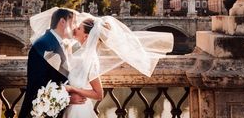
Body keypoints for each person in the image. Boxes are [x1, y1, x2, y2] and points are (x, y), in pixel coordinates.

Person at [26, 10, 174, 118]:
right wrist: (67, 97)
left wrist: (72, 89)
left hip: (80, 110)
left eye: (78, 28)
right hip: (69, 108)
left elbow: (98, 94)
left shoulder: (90, 59)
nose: (74, 29)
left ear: (86, 36)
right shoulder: (72, 51)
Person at [17, 8, 86, 118]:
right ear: (62, 22)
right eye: (73, 23)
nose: (75, 28)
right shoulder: (43, 45)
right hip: (38, 113)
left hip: (52, 111)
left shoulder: (59, 43)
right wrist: (67, 99)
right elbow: (39, 85)